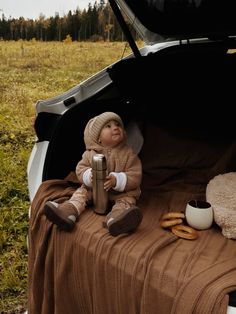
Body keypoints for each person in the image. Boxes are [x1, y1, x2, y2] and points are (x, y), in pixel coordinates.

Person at [43, 111, 143, 236]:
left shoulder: (129, 154)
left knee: (127, 200)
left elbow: (135, 175)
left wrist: (117, 180)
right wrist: (89, 176)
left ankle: (117, 219)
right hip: (94, 190)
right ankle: (69, 212)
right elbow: (80, 169)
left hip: (120, 192)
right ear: (98, 138)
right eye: (108, 126)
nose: (115, 127)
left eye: (118, 124)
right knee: (81, 193)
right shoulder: (90, 154)